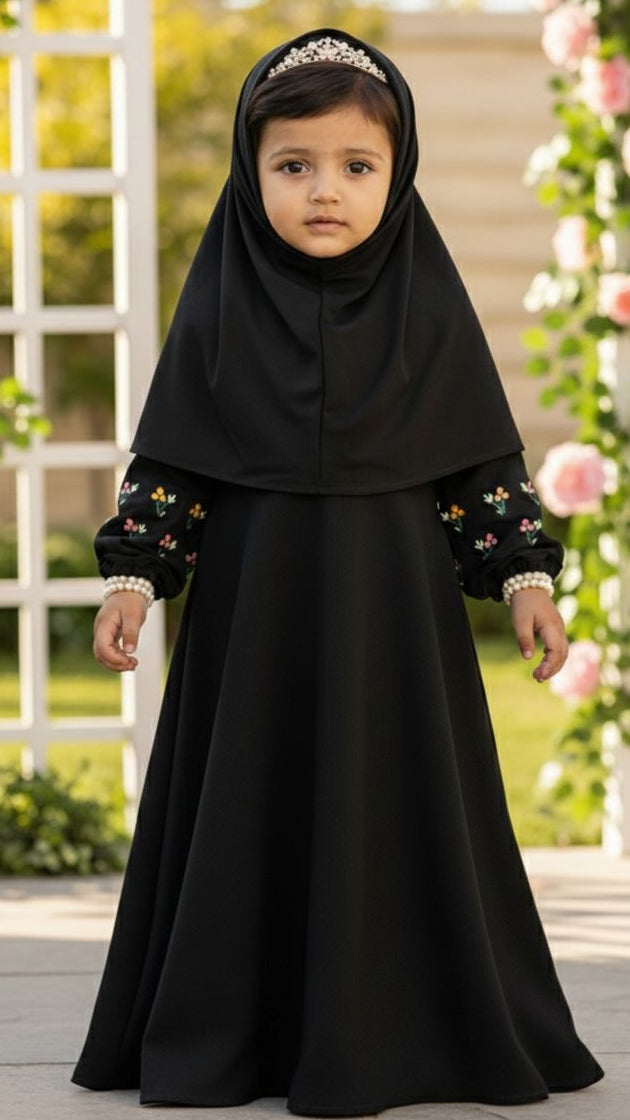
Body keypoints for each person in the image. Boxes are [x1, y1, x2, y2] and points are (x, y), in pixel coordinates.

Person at [70, 26, 605, 1115]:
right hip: (254, 619)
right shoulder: (220, 302)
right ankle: (242, 1024)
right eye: (294, 166)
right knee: (249, 799)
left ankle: (409, 1024)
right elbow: (174, 455)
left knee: (400, 793)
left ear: (396, 173)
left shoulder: (429, 302)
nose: (327, 192)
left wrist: (526, 581)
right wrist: (134, 576)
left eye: (357, 167)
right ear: (250, 169)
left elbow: (477, 460)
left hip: (395, 620)